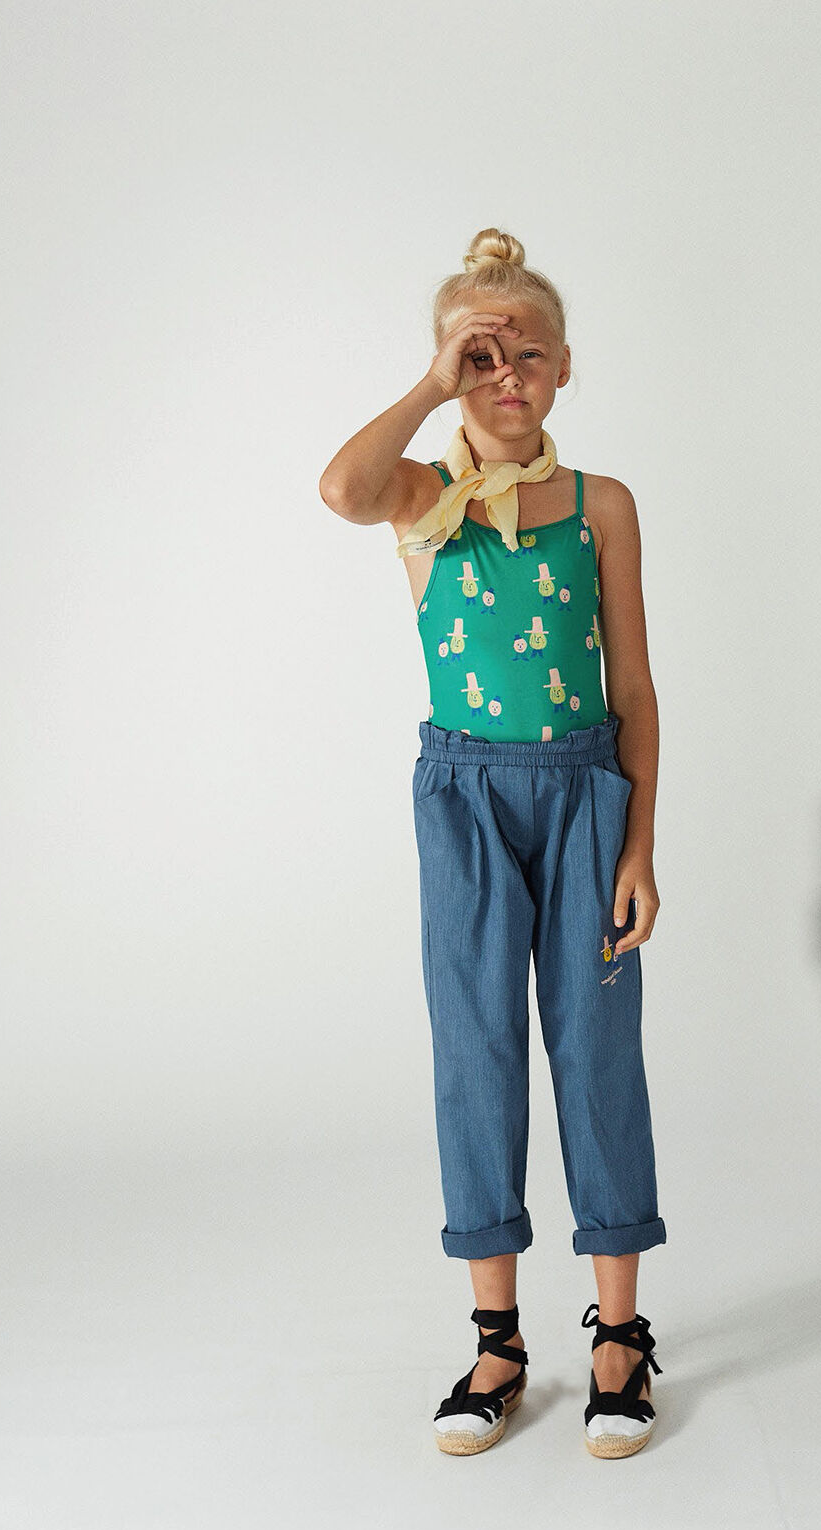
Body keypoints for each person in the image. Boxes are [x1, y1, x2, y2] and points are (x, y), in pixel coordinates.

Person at [318, 228, 666, 1459]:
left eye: (528, 354)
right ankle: (497, 1339)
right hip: (464, 798)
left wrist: (639, 845)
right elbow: (340, 490)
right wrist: (431, 385)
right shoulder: (421, 496)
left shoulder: (601, 505)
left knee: (596, 1049)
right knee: (475, 1049)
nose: (505, 375)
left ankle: (619, 1334)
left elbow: (634, 687)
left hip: (584, 796)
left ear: (565, 365)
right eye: (482, 356)